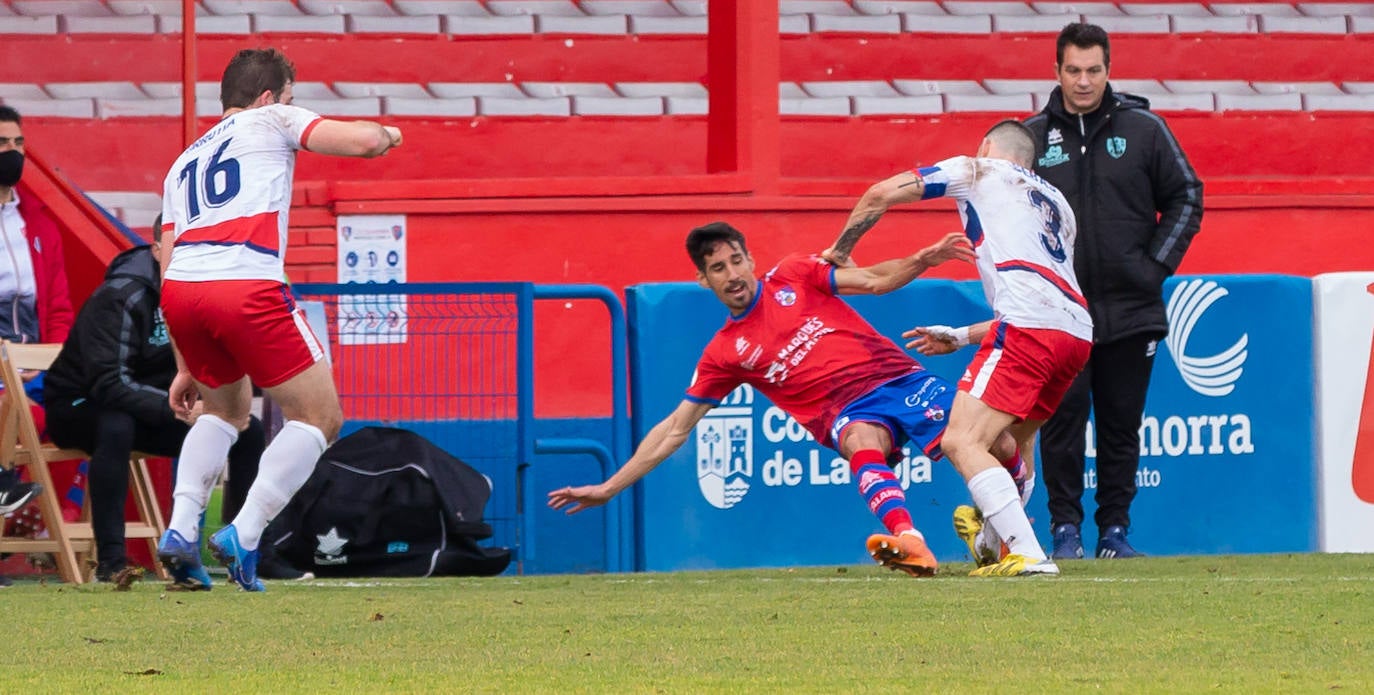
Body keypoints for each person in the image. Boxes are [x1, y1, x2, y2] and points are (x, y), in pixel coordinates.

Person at [549, 222, 1029, 578]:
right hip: (848, 411)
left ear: (751, 259)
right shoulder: (724, 353)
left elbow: (875, 281)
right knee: (860, 439)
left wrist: (924, 258)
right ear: (704, 281)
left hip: (899, 379)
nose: (732, 274)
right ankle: (911, 539)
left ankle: (998, 534)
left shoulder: (796, 275)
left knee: (1000, 445)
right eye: (718, 269)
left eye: (736, 261)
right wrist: (610, 487)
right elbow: (675, 428)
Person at [155, 48, 402, 592]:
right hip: (245, 281)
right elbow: (362, 142)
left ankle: (179, 529)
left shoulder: (182, 163)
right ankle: (244, 531)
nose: (292, 105)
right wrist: (387, 131)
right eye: (290, 97)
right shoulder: (270, 119)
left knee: (224, 411)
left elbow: (168, 261)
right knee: (320, 418)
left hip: (183, 295)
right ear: (268, 97)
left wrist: (183, 363)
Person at [824, 119, 1093, 577]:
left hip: (1030, 327)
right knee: (1014, 442)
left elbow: (880, 193)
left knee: (960, 439)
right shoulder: (1058, 204)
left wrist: (838, 251)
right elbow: (1042, 291)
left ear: (988, 146)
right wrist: (962, 335)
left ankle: (1028, 554)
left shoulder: (977, 169)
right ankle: (994, 541)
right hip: (1076, 331)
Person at [1025, 23, 1203, 560]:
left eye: (1094, 70)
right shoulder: (1030, 137)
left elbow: (1187, 197)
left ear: (1109, 70)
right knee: (1062, 425)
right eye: (1074, 70)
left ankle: (1115, 532)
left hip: (1133, 309)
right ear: (1056, 71)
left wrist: (1153, 268)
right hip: (1060, 314)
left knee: (1122, 425)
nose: (1084, 81)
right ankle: (1064, 531)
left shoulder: (1145, 129)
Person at [43, 216, 267, 585]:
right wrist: (182, 410)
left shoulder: (201, 295)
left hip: (152, 406)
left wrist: (214, 406)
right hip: (78, 405)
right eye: (178, 248)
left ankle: (245, 549)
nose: (188, 256)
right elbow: (109, 383)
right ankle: (112, 562)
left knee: (246, 430)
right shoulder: (121, 295)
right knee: (116, 425)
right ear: (157, 249)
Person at [0, 104, 75, 587]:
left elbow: (62, 310)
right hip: (4, 372)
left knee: (87, 407)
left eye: (18, 145)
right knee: (13, 409)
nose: (12, 153)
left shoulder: (41, 224)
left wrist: (49, 360)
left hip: (38, 364)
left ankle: (56, 520)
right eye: (2, 144)